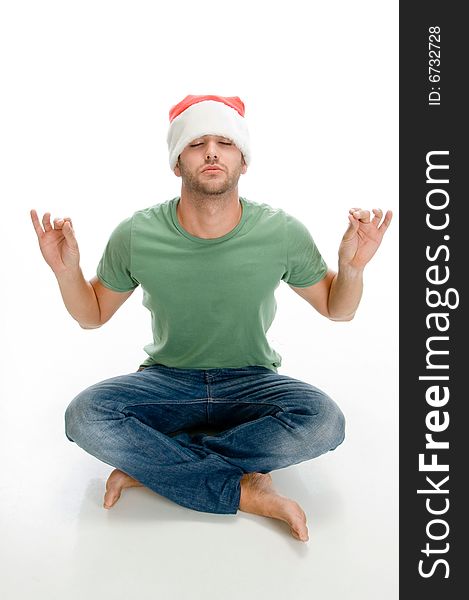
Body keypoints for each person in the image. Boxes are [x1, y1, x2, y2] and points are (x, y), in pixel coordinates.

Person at [30, 94, 392, 543]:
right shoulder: (137, 233)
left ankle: (161, 467)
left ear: (244, 160)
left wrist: (352, 267)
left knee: (324, 421)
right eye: (197, 143)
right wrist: (66, 272)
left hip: (251, 382)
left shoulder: (280, 231)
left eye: (225, 142)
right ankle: (243, 487)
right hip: (167, 383)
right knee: (85, 416)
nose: (212, 152)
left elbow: (340, 309)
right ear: (177, 162)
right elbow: (93, 315)